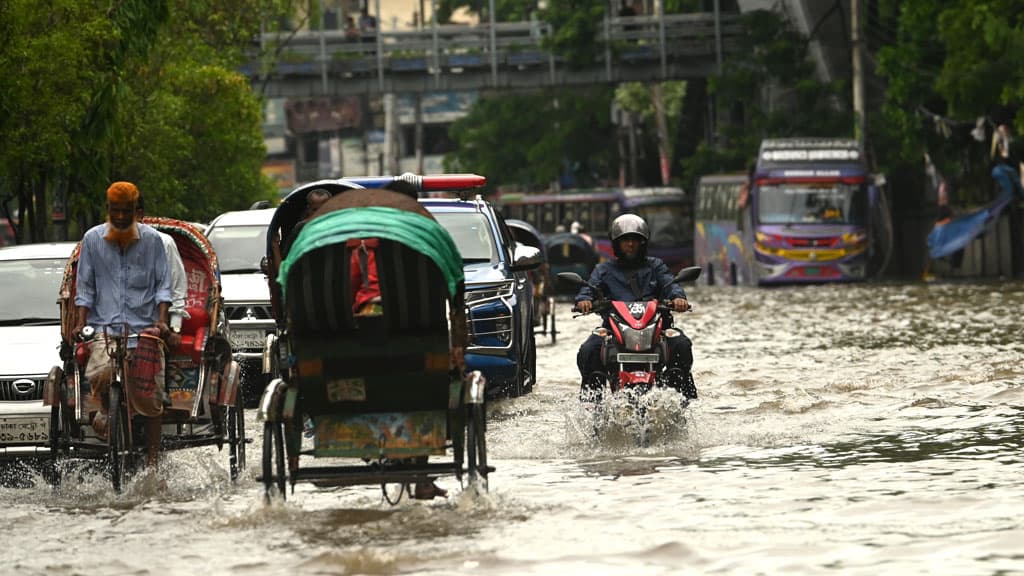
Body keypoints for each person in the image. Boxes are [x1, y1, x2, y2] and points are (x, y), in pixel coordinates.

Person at [73, 181, 173, 468]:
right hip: (104, 327)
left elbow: (162, 287)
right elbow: (86, 288)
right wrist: (81, 323)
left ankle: (152, 462)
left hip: (144, 328)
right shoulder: (92, 240)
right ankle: (105, 411)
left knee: (151, 396)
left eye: (125, 211)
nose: (119, 217)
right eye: (114, 211)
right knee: (98, 374)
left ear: (136, 211)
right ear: (108, 210)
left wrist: (162, 322)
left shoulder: (154, 240)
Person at [574, 213, 695, 402]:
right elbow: (589, 288)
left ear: (643, 243)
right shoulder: (603, 270)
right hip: (614, 331)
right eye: (625, 240)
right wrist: (584, 301)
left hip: (656, 328)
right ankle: (591, 404)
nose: (630, 245)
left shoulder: (656, 266)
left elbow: (671, 285)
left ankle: (683, 400)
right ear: (616, 243)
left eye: (634, 240)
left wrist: (678, 298)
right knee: (590, 349)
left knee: (681, 344)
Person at [137, 194, 187, 355]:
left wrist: (175, 329)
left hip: (152, 325)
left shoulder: (163, 243)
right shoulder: (103, 243)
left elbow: (176, 287)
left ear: (139, 214)